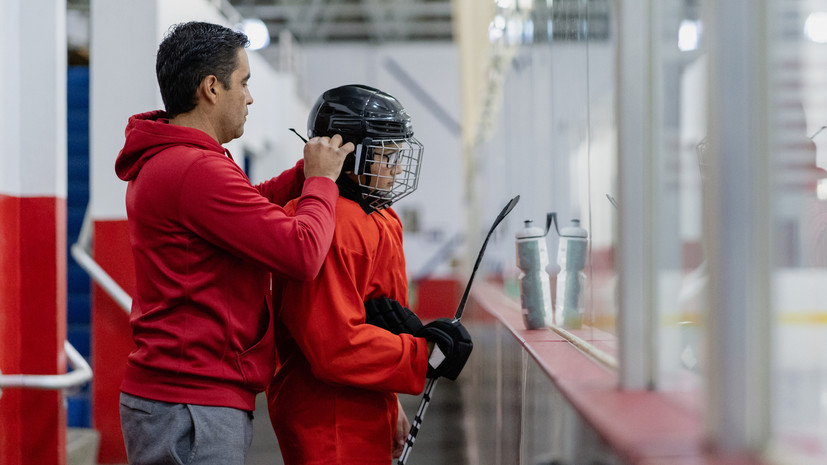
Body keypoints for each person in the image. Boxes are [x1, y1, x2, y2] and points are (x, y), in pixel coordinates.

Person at [114, 21, 352, 465]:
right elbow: (302, 254)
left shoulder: (175, 160)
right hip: (191, 405)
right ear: (211, 88)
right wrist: (321, 182)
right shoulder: (195, 169)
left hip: (183, 399)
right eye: (243, 82)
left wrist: (303, 174)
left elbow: (245, 208)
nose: (250, 96)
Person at [266, 84, 473, 465]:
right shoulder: (330, 224)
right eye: (386, 157)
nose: (396, 169)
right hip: (327, 418)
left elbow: (377, 321)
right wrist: (419, 356)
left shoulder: (381, 217)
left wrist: (389, 403)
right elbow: (333, 346)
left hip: (363, 406)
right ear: (348, 157)